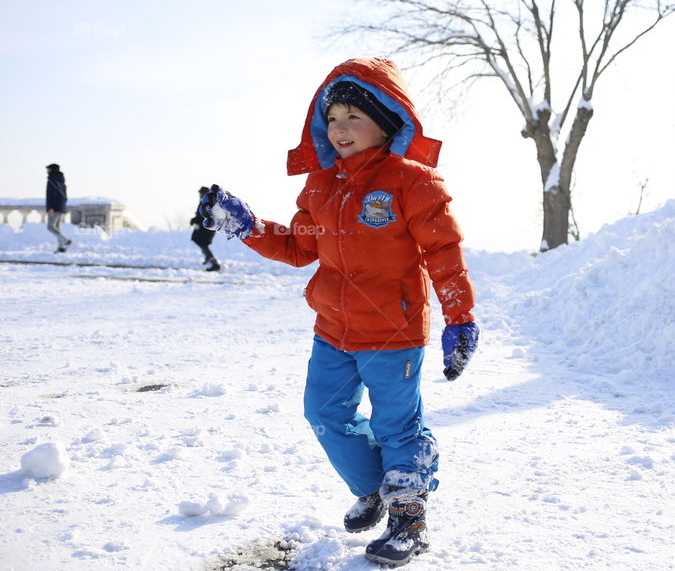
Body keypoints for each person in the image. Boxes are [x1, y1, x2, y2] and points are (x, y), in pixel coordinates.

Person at [200, 57, 479, 566]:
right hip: (332, 329)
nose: (340, 127)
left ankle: (409, 518)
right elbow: (297, 246)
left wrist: (459, 318)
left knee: (398, 426)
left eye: (353, 116)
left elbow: (444, 252)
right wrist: (245, 224)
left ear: (387, 121)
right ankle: (374, 488)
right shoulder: (321, 186)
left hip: (393, 333)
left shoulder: (413, 182)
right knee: (324, 414)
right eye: (332, 118)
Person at [189, 187, 220, 271]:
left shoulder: (206, 202)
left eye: (200, 193)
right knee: (200, 242)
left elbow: (203, 216)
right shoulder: (207, 201)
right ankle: (208, 257)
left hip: (206, 228)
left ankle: (214, 263)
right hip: (205, 228)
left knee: (202, 243)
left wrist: (194, 220)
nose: (199, 195)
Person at [45, 163, 71, 253]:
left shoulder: (52, 179)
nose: (47, 171)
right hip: (61, 206)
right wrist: (64, 207)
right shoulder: (61, 180)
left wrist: (50, 207)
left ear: (51, 169)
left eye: (48, 169)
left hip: (55, 207)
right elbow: (65, 195)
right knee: (57, 227)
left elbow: (52, 194)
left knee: (50, 227)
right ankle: (61, 247)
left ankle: (66, 241)